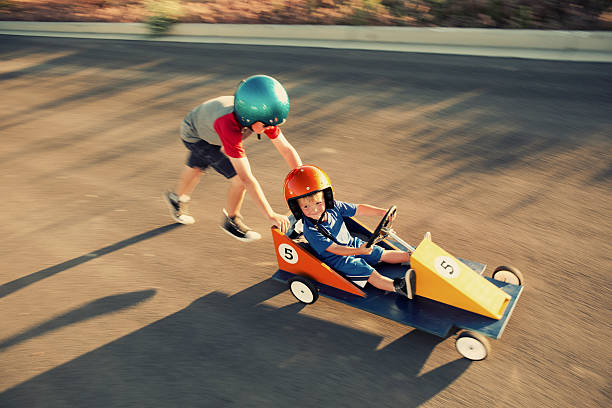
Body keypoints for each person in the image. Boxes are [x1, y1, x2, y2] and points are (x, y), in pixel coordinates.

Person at [165, 75, 302, 242]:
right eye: (266, 125)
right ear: (249, 117)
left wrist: (301, 178)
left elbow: (286, 150)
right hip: (195, 135)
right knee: (238, 181)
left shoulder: (256, 115)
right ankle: (232, 221)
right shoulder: (228, 125)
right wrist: (270, 215)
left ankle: (176, 199)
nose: (270, 128)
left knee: (197, 167)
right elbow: (247, 179)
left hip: (208, 128)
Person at [283, 165, 416, 299]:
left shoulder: (334, 207)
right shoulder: (310, 230)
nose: (314, 210)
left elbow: (358, 209)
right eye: (306, 206)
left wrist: (382, 213)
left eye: (318, 203)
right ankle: (399, 286)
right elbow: (335, 249)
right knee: (368, 272)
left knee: (381, 253)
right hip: (338, 259)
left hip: (353, 243)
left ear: (326, 198)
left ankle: (412, 257)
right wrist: (359, 252)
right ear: (297, 208)